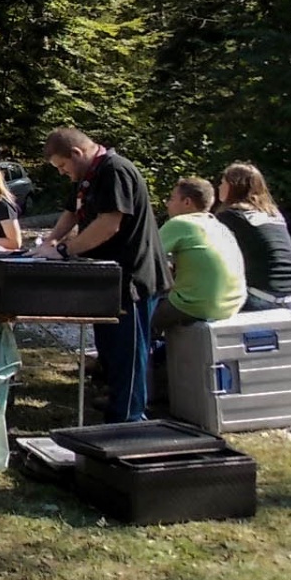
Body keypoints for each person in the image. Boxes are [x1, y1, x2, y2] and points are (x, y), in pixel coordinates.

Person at [39, 128, 170, 424]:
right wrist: (48, 242)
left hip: (132, 278)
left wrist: (64, 250)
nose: (62, 173)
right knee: (109, 351)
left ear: (77, 153)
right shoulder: (87, 175)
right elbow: (72, 212)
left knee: (128, 355)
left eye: (62, 166)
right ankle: (117, 406)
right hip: (107, 280)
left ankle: (129, 419)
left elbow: (109, 223)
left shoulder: (115, 170)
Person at [154, 177, 247, 330]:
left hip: (197, 306)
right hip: (232, 305)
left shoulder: (181, 223)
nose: (167, 204)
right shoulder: (218, 225)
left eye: (171, 199)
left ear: (187, 202)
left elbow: (146, 256)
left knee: (135, 317)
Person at [215, 162, 291, 311]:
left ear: (233, 186)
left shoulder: (230, 216)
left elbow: (215, 257)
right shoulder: (272, 213)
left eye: (223, 182)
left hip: (260, 296)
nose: (219, 187)